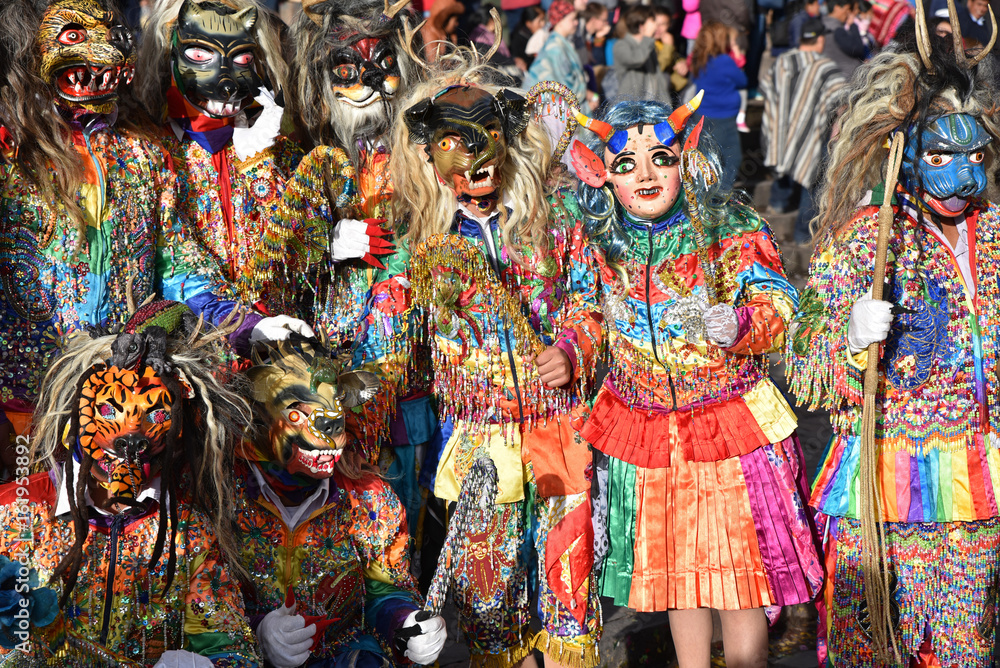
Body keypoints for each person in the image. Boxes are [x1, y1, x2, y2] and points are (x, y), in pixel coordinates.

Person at [364, 51, 605, 667]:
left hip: (558, 431)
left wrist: (574, 347)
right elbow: (387, 338)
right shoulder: (418, 241)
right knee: (492, 597)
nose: (478, 165)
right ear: (428, 156)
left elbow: (592, 297)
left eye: (488, 143)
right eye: (454, 147)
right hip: (477, 438)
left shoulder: (552, 219)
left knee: (567, 588)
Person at [572, 97, 821, 668]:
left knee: (739, 569)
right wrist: (569, 348)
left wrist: (739, 323)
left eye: (660, 157)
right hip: (648, 432)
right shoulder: (600, 243)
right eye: (626, 164)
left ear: (685, 160)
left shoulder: (727, 228)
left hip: (726, 426)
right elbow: (586, 312)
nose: (646, 174)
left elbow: (778, 304)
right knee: (678, 574)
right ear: (601, 174)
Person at [787, 9, 1000, 665]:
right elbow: (804, 356)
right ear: (903, 154)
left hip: (977, 475)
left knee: (963, 643)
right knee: (869, 642)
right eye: (940, 156)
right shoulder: (866, 238)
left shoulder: (994, 234)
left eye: (975, 158)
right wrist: (849, 337)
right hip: (880, 474)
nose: (960, 177)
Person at [0, 302, 260, 666]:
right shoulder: (14, 513)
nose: (132, 432)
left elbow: (233, 650)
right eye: (109, 411)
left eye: (154, 414)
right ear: (75, 419)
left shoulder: (190, 533)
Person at [234, 340, 447, 668]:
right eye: (297, 413)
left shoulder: (368, 498)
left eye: (332, 408)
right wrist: (257, 632)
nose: (325, 432)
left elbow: (386, 586)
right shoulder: (220, 494)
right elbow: (194, 607)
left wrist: (405, 623)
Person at [760, 17, 847, 247]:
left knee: (784, 165)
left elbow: (766, 90)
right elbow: (840, 103)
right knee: (812, 183)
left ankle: (777, 204)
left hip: (780, 132)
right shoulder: (825, 68)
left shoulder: (781, 62)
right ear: (819, 40)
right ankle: (802, 235)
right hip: (811, 136)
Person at [691, 21, 746, 191]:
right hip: (723, 118)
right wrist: (737, 55)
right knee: (732, 158)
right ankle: (719, 196)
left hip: (703, 114)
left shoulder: (700, 59)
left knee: (708, 156)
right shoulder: (724, 61)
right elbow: (742, 80)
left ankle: (707, 191)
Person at [525, 0, 596, 109]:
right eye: (572, 19)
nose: (576, 23)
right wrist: (586, 106)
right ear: (560, 20)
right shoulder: (555, 49)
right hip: (550, 111)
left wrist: (588, 95)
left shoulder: (560, 43)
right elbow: (563, 89)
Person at [613, 5, 670, 102]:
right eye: (652, 21)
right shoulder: (621, 45)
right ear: (641, 25)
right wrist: (647, 36)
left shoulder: (648, 47)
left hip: (653, 107)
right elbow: (636, 60)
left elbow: (658, 78)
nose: (656, 26)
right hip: (631, 109)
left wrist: (666, 105)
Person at [822, 0, 867, 78]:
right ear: (837, 7)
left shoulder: (824, 23)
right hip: (845, 77)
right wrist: (853, 25)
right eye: (847, 9)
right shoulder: (836, 29)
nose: (849, 13)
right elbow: (857, 49)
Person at [511, 5, 547, 69]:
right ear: (529, 23)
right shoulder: (520, 40)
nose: (543, 24)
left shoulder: (543, 34)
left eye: (543, 19)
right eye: (540, 21)